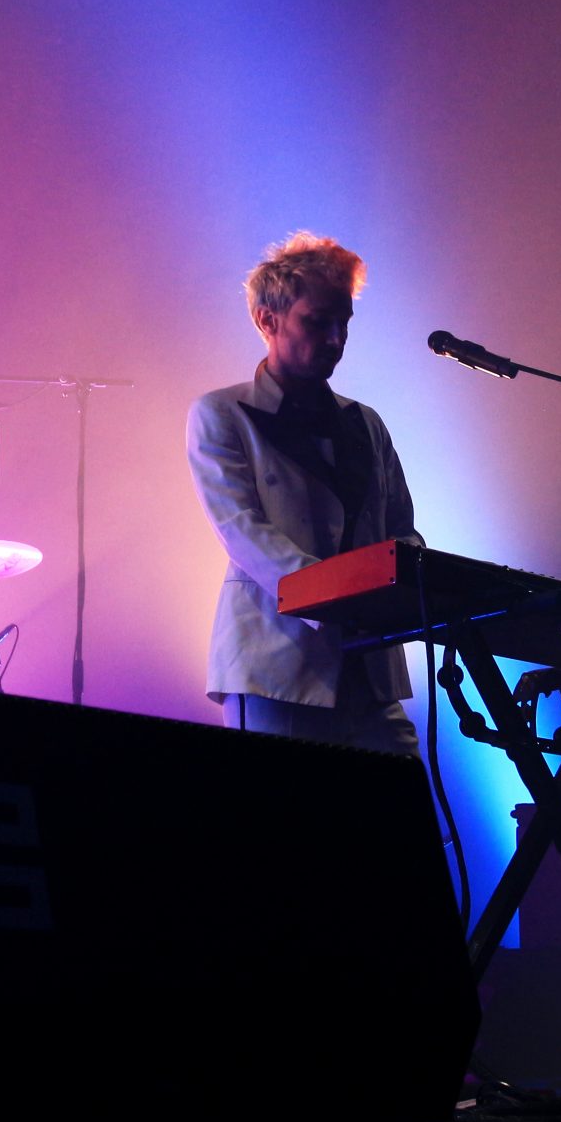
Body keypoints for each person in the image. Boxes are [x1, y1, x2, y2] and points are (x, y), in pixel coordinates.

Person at [187, 232, 420, 756]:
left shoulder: (366, 423)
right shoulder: (221, 414)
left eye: (345, 323)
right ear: (267, 321)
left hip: (370, 670)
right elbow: (243, 531)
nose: (337, 338)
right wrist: (346, 599)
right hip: (276, 670)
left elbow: (402, 531)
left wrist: (406, 592)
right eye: (318, 322)